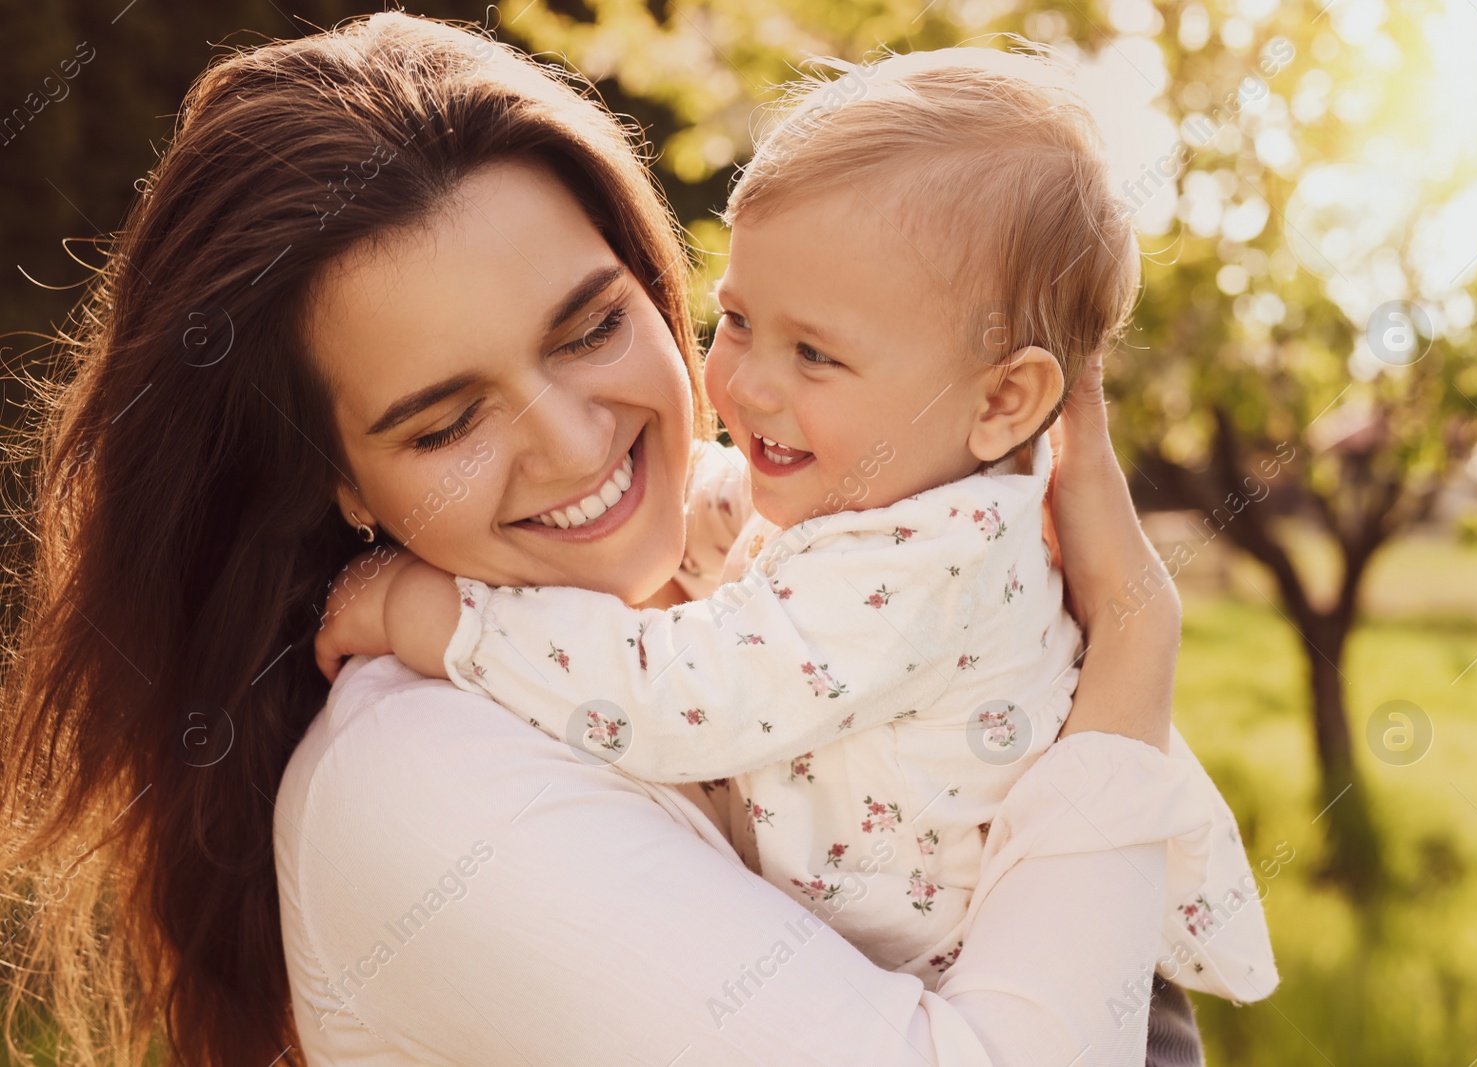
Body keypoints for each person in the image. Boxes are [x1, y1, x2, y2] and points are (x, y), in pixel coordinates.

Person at [0, 14, 1250, 1066]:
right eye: (447, 422)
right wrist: (1132, 651)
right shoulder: (425, 779)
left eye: (591, 327)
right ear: (341, 482)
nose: (574, 442)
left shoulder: (768, 551)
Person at [314, 47, 1275, 1001]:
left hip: (1094, 1015)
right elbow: (729, 513)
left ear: (1002, 400)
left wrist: (437, 617)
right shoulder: (903, 488)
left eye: (814, 352)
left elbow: (678, 694)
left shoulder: (926, 564)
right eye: (735, 318)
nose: (746, 382)